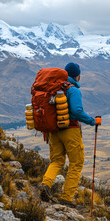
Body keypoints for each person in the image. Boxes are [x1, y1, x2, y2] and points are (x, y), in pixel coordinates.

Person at [39, 62, 101, 207]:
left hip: (53, 131)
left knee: (57, 161)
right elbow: (77, 111)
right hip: (70, 130)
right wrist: (93, 121)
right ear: (77, 76)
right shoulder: (72, 90)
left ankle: (46, 185)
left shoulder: (54, 88)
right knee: (76, 163)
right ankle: (66, 198)